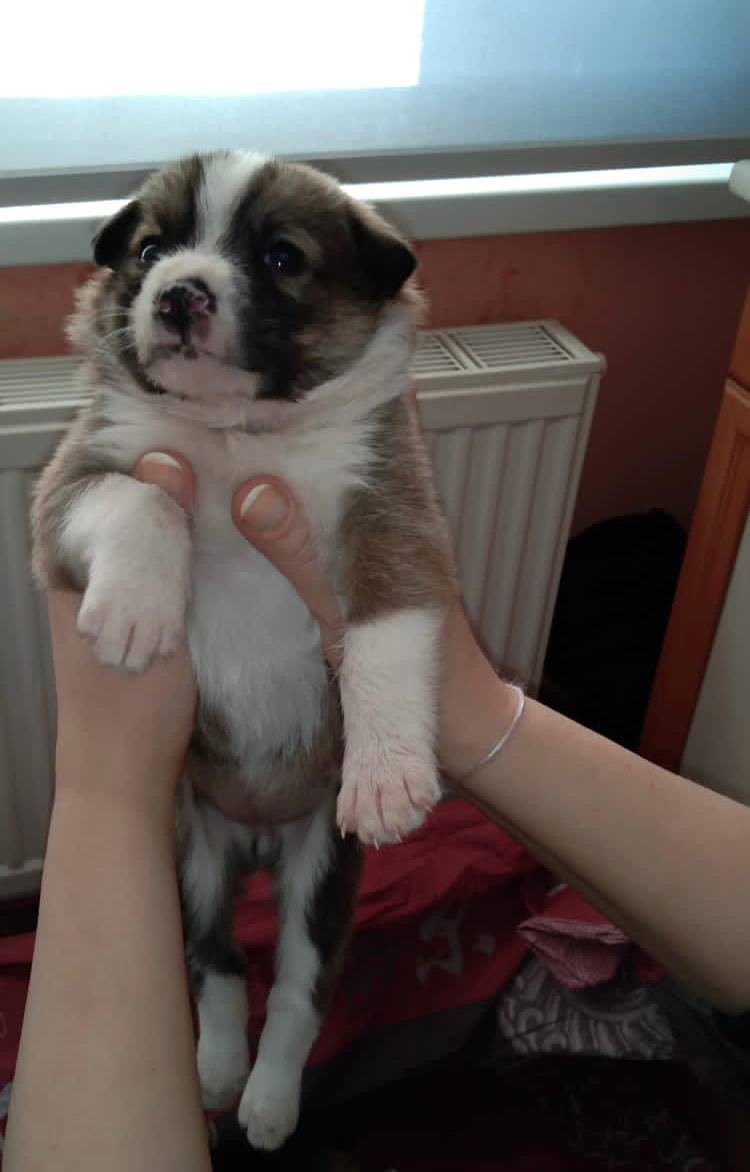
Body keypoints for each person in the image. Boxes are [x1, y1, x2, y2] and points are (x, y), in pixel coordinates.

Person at [5, 422, 750, 1172]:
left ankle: (287, 1042)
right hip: (209, 784)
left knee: (315, 909)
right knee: (198, 889)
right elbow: (66, 512)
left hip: (313, 785)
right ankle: (220, 1011)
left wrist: (104, 790)